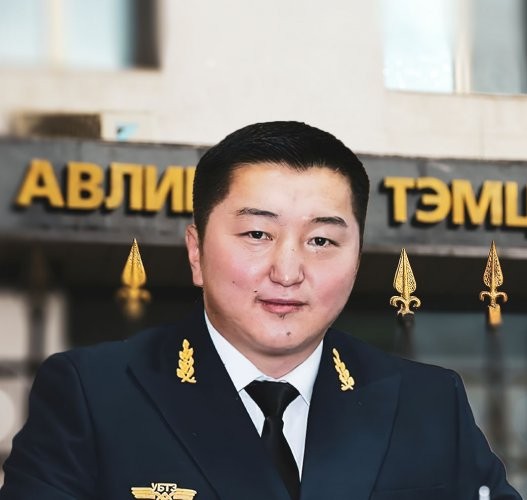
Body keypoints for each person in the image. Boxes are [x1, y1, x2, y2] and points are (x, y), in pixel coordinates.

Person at [0, 121, 521, 500]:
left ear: (358, 259)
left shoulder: (428, 404)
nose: (288, 271)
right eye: (256, 234)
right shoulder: (93, 396)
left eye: (321, 240)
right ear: (196, 251)